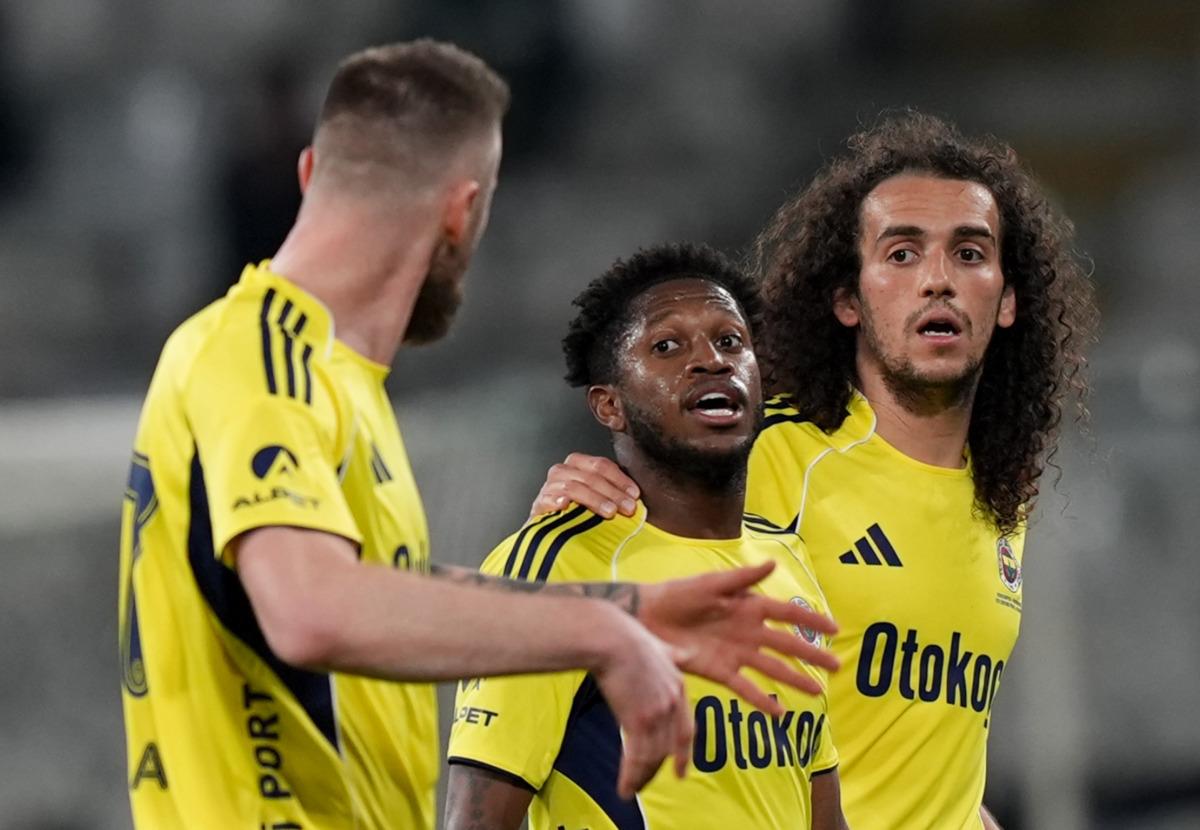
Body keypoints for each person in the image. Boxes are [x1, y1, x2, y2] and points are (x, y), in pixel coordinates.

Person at [116, 41, 838, 830]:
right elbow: (310, 607)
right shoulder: (262, 350)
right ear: (462, 213)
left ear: (308, 173)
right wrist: (603, 625)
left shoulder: (333, 386)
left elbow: (368, 599)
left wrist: (622, 608)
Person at [531, 112, 1098, 830]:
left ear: (1008, 299)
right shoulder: (767, 456)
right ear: (847, 300)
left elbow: (925, 754)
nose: (937, 281)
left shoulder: (999, 497)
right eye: (902, 253)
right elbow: (582, 616)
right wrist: (569, 514)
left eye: (968, 253)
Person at [445, 244, 848, 830]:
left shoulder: (787, 558)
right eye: (666, 346)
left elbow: (822, 815)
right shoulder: (557, 567)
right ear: (610, 406)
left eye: (730, 340)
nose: (711, 360)